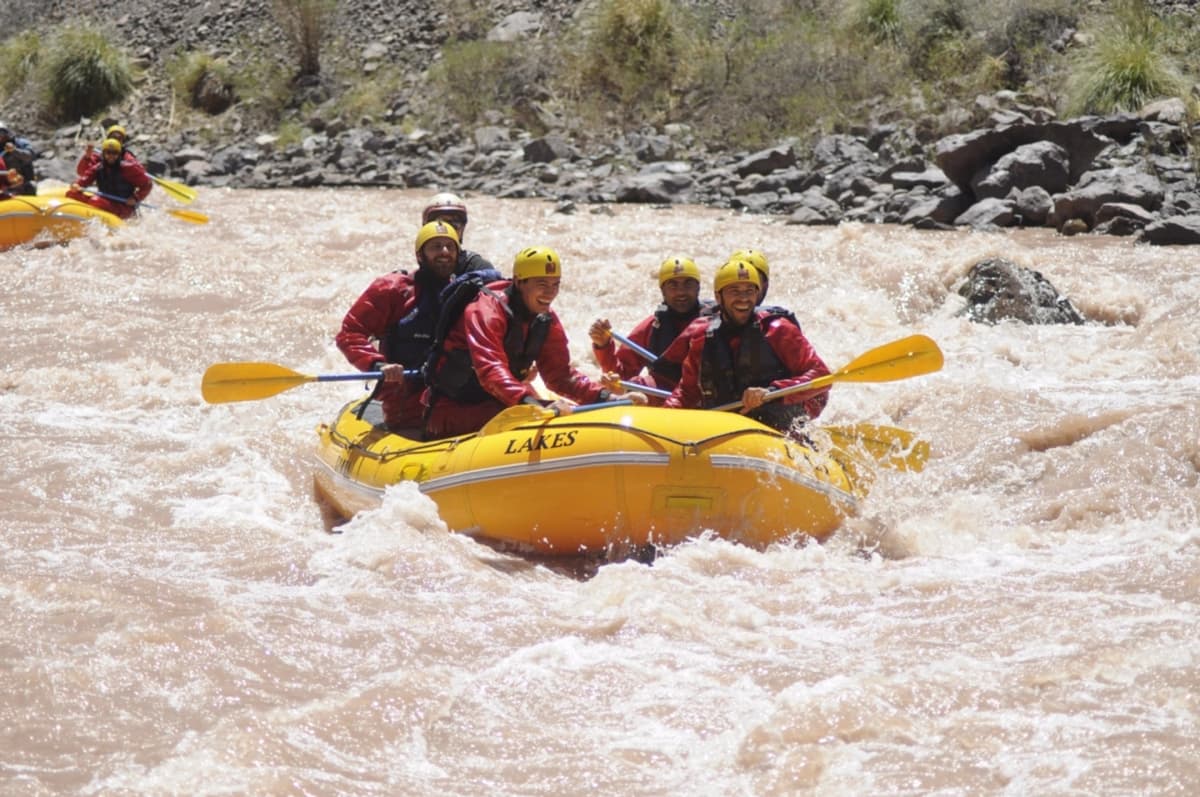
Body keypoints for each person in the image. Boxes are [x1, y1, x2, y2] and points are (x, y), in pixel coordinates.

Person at [423, 246, 645, 439]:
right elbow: (490, 371)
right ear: (520, 282)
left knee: (563, 413)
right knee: (537, 416)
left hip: (506, 404)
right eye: (542, 284)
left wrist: (608, 397)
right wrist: (532, 403)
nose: (550, 292)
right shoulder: (486, 310)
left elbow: (561, 377)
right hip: (452, 410)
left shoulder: (545, 319)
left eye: (555, 284)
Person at [336, 220, 482, 433]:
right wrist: (378, 366)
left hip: (455, 395)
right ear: (420, 255)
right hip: (407, 403)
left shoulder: (468, 293)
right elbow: (350, 333)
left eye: (450, 247)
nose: (444, 252)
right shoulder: (392, 290)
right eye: (435, 246)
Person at [664, 259, 830, 434]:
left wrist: (773, 390)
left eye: (749, 291)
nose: (743, 299)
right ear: (718, 297)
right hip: (728, 422)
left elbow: (822, 375)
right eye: (734, 291)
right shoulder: (702, 337)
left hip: (780, 420)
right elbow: (686, 392)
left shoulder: (778, 330)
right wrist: (663, 418)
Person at [588, 255, 712, 404]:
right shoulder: (652, 328)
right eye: (673, 285)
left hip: (709, 393)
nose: (681, 292)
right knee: (637, 386)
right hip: (668, 394)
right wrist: (603, 345)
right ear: (663, 290)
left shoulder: (717, 320)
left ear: (698, 287)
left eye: (688, 284)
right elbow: (621, 377)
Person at [67, 138, 153, 219]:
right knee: (71, 194)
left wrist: (136, 198)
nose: (111, 156)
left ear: (119, 155)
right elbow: (83, 180)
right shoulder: (98, 168)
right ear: (103, 154)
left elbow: (148, 183)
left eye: (114, 153)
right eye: (108, 153)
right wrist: (76, 185)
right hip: (105, 201)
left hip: (123, 206)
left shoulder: (128, 168)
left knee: (96, 201)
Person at [420, 192, 494, 273]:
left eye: (455, 224)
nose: (448, 230)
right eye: (441, 223)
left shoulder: (479, 268)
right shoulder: (413, 277)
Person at [0, 122, 37, 196]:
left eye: (1, 133)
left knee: (31, 186)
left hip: (26, 184)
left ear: (7, 132)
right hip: (8, 186)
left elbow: (30, 156)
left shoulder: (21, 143)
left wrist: (14, 150)